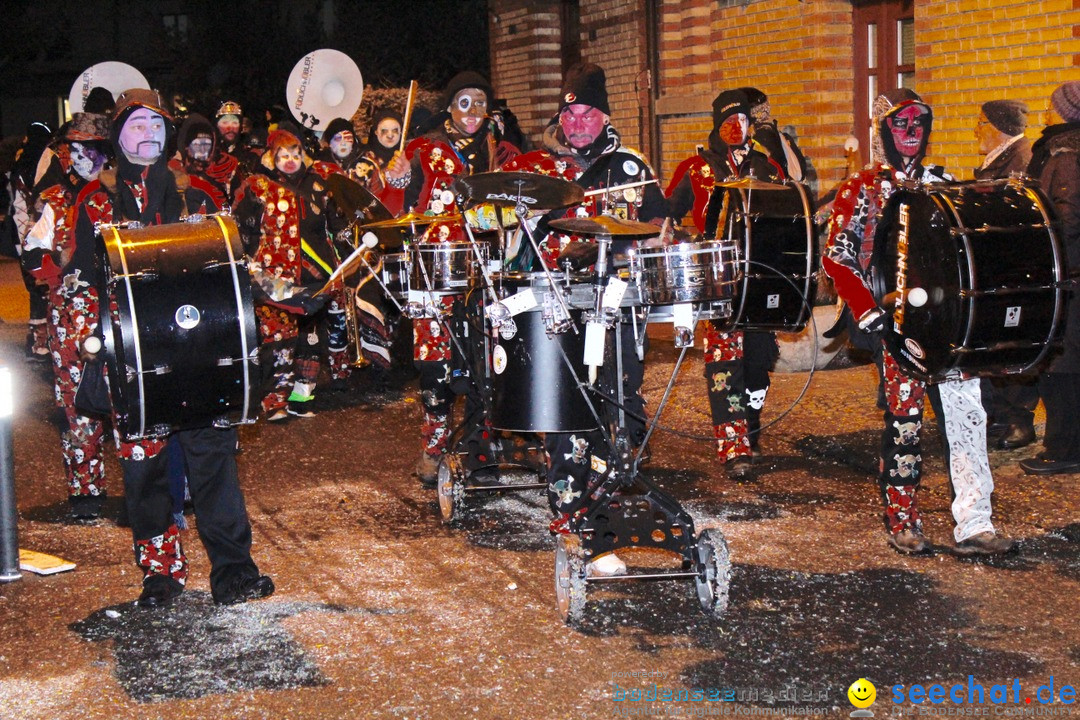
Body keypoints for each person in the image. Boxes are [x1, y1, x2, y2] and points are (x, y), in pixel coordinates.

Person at [72, 88, 274, 606]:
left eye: (158, 125)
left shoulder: (199, 196)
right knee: (146, 472)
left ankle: (234, 571)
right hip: (133, 360)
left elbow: (228, 270)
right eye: (137, 125)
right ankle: (161, 575)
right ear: (118, 136)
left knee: (214, 465)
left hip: (200, 354)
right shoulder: (94, 202)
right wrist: (90, 340)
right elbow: (85, 277)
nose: (150, 134)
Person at [823, 88, 1013, 555]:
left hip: (947, 325)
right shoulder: (863, 187)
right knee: (904, 423)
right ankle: (903, 519)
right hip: (896, 325)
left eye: (919, 125)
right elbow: (837, 255)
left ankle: (975, 523)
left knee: (968, 416)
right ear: (885, 131)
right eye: (901, 125)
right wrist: (866, 308)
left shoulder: (944, 183)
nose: (911, 134)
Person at [502, 62, 668, 575]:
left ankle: (606, 511)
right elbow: (512, 243)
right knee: (569, 414)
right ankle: (576, 522)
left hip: (617, 308)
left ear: (604, 115)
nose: (574, 122)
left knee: (621, 414)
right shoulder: (542, 170)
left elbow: (659, 230)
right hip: (558, 310)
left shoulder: (630, 168)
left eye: (585, 113)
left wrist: (612, 248)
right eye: (568, 112)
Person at [386, 71, 514, 486]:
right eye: (464, 102)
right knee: (434, 363)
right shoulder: (424, 149)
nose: (473, 112)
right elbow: (395, 202)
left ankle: (480, 449)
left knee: (487, 360)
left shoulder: (504, 150)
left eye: (481, 102)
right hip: (435, 268)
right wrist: (397, 177)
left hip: (490, 267)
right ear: (449, 107)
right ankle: (434, 444)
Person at [665, 88, 787, 479]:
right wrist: (678, 242)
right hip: (717, 279)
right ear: (718, 125)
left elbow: (787, 214)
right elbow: (666, 215)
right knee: (724, 362)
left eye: (744, 121)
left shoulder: (768, 168)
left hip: (761, 275)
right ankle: (734, 447)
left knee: (758, 361)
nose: (738, 127)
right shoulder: (695, 168)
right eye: (729, 121)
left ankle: (749, 423)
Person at [22, 113, 112, 519]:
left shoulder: (120, 195)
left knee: (133, 399)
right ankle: (86, 490)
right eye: (73, 150)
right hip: (70, 318)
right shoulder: (56, 199)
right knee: (77, 403)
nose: (80, 157)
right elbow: (32, 249)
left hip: (121, 314)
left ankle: (152, 482)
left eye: (89, 150)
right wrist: (55, 272)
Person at [233, 125, 351, 421]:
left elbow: (336, 225)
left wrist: (347, 251)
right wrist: (248, 267)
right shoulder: (258, 187)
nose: (289, 160)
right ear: (272, 158)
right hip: (275, 279)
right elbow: (243, 228)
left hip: (315, 275)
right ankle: (274, 401)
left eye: (295, 154)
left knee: (310, 341)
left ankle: (302, 398)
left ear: (304, 156)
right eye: (282, 155)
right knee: (278, 340)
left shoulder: (319, 185)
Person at [1019, 82, 1080, 475]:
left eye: (1052, 106)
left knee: (1063, 368)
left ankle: (1063, 449)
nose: (1046, 112)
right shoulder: (1062, 150)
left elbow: (1066, 214)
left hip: (1069, 274)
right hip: (1070, 272)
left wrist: (1039, 238)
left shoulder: (1067, 155)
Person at [973, 100, 1038, 451]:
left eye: (980, 123)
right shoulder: (1000, 157)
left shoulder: (1019, 158)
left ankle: (1018, 419)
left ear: (997, 126)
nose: (976, 130)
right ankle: (999, 414)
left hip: (1014, 264)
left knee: (1011, 341)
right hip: (996, 261)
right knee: (994, 341)